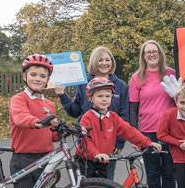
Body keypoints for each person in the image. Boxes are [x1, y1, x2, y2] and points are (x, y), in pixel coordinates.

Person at [9, 54, 78, 188]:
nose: (38, 78)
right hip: (23, 161)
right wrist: (36, 122)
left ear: (48, 78)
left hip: (46, 162)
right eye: (34, 75)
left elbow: (51, 135)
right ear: (25, 76)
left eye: (43, 75)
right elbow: (21, 118)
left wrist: (67, 130)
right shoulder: (19, 99)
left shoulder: (49, 104)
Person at [54, 46, 129, 180]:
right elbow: (75, 110)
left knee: (107, 181)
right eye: (100, 60)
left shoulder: (120, 85)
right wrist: (63, 96)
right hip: (87, 141)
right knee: (86, 181)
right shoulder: (83, 84)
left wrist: (120, 141)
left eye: (108, 59)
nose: (104, 63)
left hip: (110, 142)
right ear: (94, 62)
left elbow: (124, 115)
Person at [129, 40, 176, 188]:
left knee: (170, 175)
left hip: (170, 132)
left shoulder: (171, 73)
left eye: (154, 51)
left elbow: (182, 100)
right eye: (147, 52)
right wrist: (134, 134)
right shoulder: (137, 77)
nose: (151, 54)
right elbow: (133, 107)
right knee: (153, 175)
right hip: (148, 132)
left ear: (160, 53)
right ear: (143, 56)